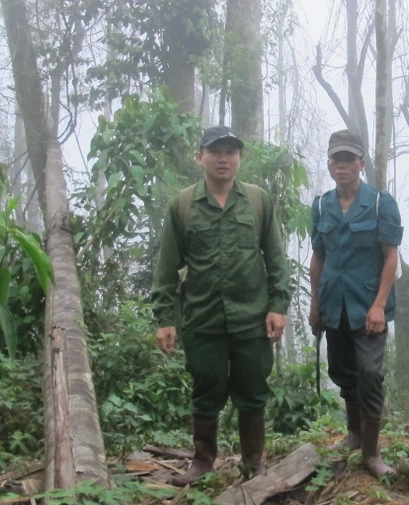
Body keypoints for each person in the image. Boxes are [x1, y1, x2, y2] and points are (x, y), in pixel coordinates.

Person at [151, 125, 292, 485]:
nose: (224, 158)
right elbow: (166, 268)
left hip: (252, 320)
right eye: (215, 151)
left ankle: (253, 462)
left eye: (231, 151)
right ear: (200, 158)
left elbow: (276, 259)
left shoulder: (258, 201)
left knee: (253, 391)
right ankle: (202, 462)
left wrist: (278, 306)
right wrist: (166, 319)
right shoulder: (182, 205)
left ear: (240, 158)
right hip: (203, 319)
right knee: (205, 389)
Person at [308, 129, 403, 477]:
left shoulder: (380, 203)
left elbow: (390, 257)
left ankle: (371, 453)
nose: (342, 165)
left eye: (349, 159)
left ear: (361, 163)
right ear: (329, 164)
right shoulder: (321, 205)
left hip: (368, 304)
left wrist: (379, 305)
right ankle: (353, 434)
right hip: (334, 304)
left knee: (370, 373)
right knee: (344, 372)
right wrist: (315, 304)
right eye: (337, 159)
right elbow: (318, 257)